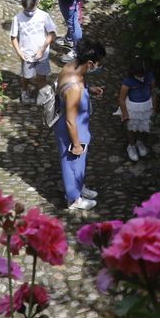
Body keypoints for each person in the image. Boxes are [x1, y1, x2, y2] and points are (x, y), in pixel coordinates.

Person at [54, 38, 106, 212]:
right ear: (90, 63)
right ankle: (73, 198)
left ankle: (79, 186)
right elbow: (70, 120)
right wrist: (76, 143)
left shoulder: (70, 67)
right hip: (73, 127)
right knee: (72, 161)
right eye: (99, 64)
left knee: (79, 163)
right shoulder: (75, 88)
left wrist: (89, 89)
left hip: (76, 123)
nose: (100, 67)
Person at [8, 0, 56, 104]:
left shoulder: (44, 16)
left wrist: (42, 49)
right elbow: (13, 37)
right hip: (26, 55)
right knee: (26, 76)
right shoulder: (17, 18)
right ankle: (24, 91)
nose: (29, 12)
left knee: (41, 76)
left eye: (32, 9)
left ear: (37, 3)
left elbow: (52, 34)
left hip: (42, 54)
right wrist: (20, 53)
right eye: (27, 10)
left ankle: (42, 95)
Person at [118, 56, 156, 162]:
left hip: (146, 106)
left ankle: (139, 142)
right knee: (131, 127)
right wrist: (125, 113)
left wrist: (154, 107)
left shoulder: (150, 77)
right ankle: (131, 145)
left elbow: (153, 92)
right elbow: (121, 99)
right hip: (132, 108)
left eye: (143, 74)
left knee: (143, 125)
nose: (141, 76)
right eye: (139, 74)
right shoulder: (128, 81)